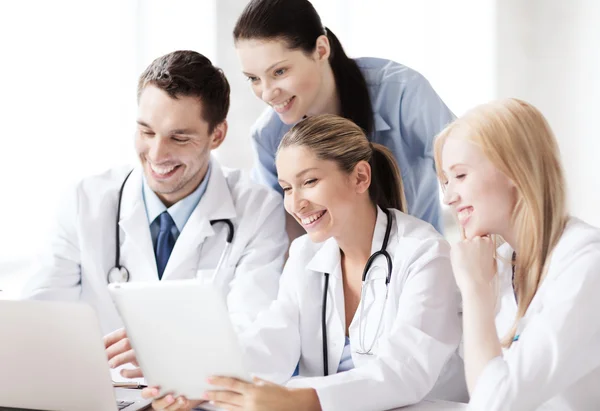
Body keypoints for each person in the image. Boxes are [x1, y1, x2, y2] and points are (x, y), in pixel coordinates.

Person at [144, 114, 467, 411]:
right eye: (286, 188)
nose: (295, 203)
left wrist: (300, 399)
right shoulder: (305, 254)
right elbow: (273, 340)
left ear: (360, 177)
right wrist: (202, 382)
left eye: (309, 182)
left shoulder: (424, 254)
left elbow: (405, 372)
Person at [23, 50, 287, 351]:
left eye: (180, 138)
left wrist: (165, 351)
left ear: (217, 135)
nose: (157, 154)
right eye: (146, 131)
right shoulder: (84, 202)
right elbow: (39, 321)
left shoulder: (258, 209)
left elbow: (252, 333)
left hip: (204, 391)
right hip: (104, 390)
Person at [233, 0, 455, 237]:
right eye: (253, 79)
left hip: (421, 258)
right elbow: (277, 232)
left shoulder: (401, 93)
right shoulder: (268, 136)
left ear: (321, 50)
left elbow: (467, 168)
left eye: (279, 72)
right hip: (332, 269)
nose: (266, 93)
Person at [435, 98, 600, 410]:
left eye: (460, 176)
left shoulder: (586, 265)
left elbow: (494, 403)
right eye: (445, 181)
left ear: (513, 167)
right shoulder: (499, 262)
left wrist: (474, 293)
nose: (449, 198)